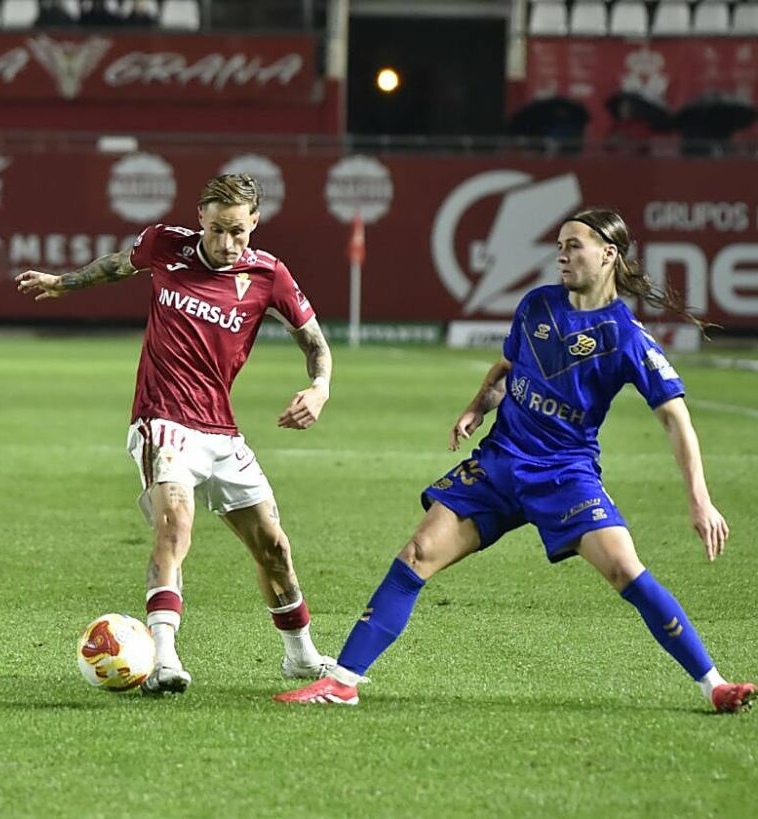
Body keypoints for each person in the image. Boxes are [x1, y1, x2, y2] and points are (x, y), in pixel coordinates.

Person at [275, 208, 755, 714]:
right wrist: (477, 406)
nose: (562, 255)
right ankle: (343, 681)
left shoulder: (626, 337)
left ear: (609, 254)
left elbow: (676, 420)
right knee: (417, 553)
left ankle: (715, 685)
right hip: (500, 463)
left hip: (565, 474)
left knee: (624, 569)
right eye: (559, 246)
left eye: (574, 246)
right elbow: (508, 366)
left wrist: (700, 500)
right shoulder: (538, 304)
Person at [16, 173, 336, 694]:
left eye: (238, 231)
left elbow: (315, 343)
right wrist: (63, 283)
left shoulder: (268, 275)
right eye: (216, 230)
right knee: (175, 528)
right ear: (200, 219)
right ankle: (162, 660)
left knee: (274, 548)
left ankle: (301, 658)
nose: (227, 243)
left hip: (221, 431)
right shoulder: (165, 245)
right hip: (161, 420)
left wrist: (319, 388)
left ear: (255, 222)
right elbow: (117, 265)